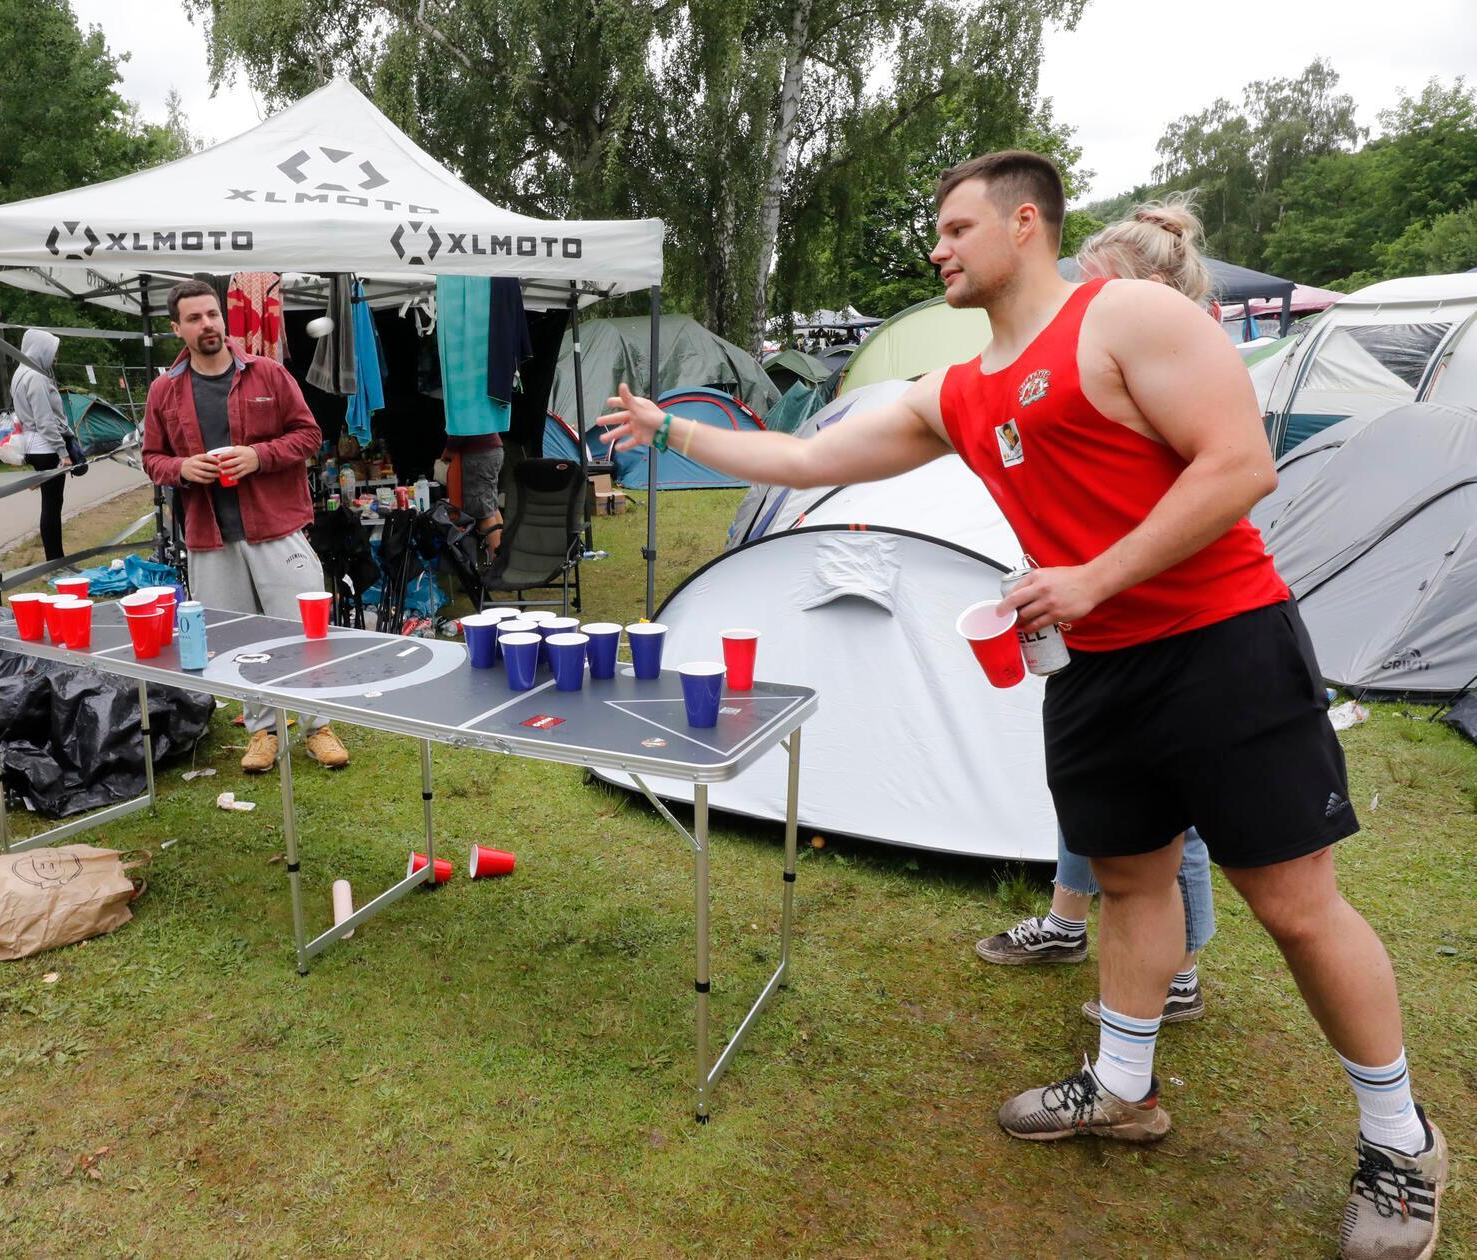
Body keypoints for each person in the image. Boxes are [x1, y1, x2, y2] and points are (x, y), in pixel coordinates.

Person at [597, 153, 1446, 1259]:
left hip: (1221, 644)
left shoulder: (1126, 315)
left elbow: (1238, 466)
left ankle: (1400, 1140)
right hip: (1091, 669)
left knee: (1294, 908)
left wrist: (1093, 577)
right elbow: (805, 457)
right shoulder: (957, 390)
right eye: (935, 233)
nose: (939, 249)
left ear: (1025, 224)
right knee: (1133, 880)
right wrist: (673, 431)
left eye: (956, 228)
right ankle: (1124, 1087)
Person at [975, 196, 1225, 1029]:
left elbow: (1211, 493)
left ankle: (1181, 967)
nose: (1079, 310)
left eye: (1097, 292)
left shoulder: (1181, 364)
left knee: (1173, 818)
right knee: (1097, 793)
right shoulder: (1088, 357)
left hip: (1171, 628)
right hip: (1092, 620)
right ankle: (1067, 922)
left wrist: (1101, 570)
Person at [141, 279, 349, 773]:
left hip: (276, 528)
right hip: (211, 536)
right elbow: (152, 457)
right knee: (240, 640)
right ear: (178, 328)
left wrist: (258, 456)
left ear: (223, 318)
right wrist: (181, 469)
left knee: (303, 631)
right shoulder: (164, 390)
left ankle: (317, 725)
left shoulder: (268, 374)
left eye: (212, 314)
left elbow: (309, 435)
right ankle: (262, 732)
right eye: (194, 318)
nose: (206, 324)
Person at [9, 327, 72, 563]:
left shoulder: (20, 373)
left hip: (35, 446)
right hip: (46, 447)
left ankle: (55, 558)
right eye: (52, 351)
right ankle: (55, 560)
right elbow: (44, 420)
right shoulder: (35, 377)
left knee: (51, 503)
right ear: (40, 350)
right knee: (52, 506)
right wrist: (63, 452)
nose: (55, 357)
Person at [444, 432, 504, 555]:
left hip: (478, 454)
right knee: (492, 507)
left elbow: (461, 426)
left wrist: (449, 449)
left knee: (484, 514)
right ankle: (506, 556)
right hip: (494, 448)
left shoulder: (465, 411)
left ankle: (497, 564)